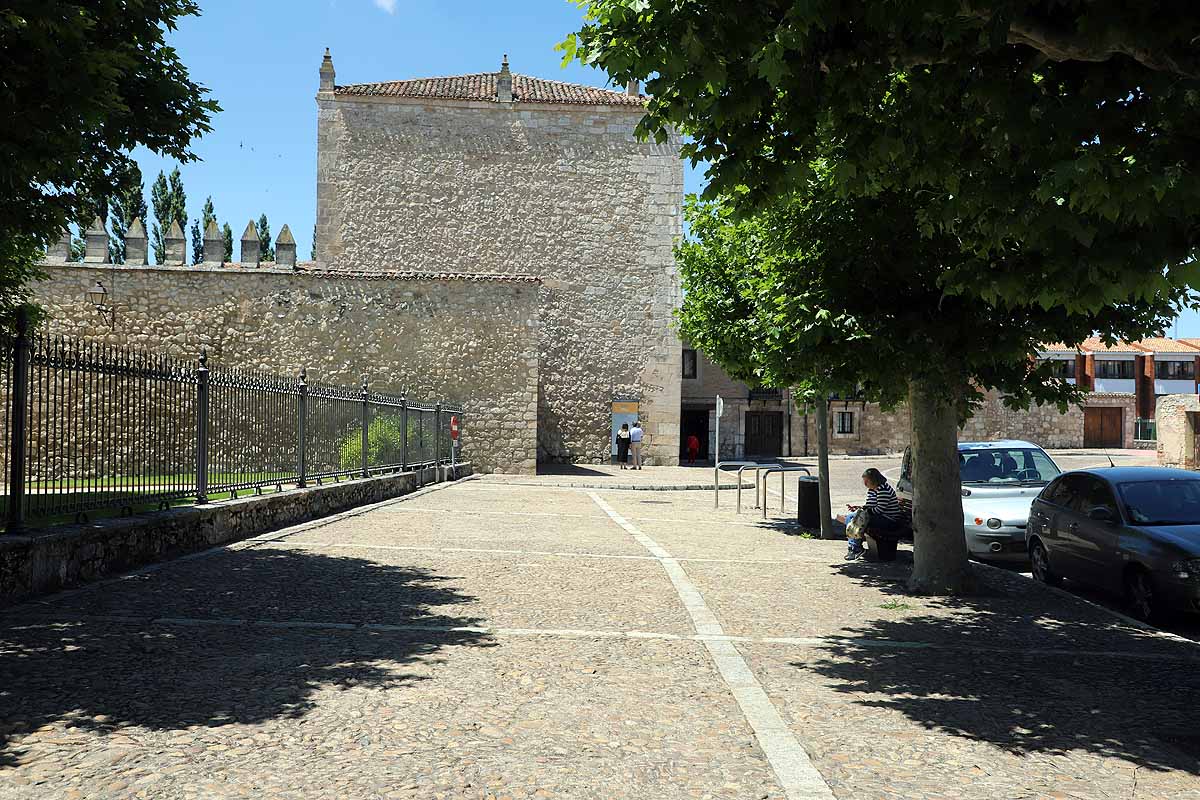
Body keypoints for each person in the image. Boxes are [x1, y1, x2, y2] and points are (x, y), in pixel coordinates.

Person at [837, 468, 905, 561]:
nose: (865, 484)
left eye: (867, 481)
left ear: (874, 480)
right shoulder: (872, 490)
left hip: (888, 520)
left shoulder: (883, 489)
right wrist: (860, 508)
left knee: (856, 520)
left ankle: (855, 549)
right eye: (864, 481)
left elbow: (879, 510)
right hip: (878, 517)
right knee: (851, 517)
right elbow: (870, 506)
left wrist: (863, 512)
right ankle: (854, 548)